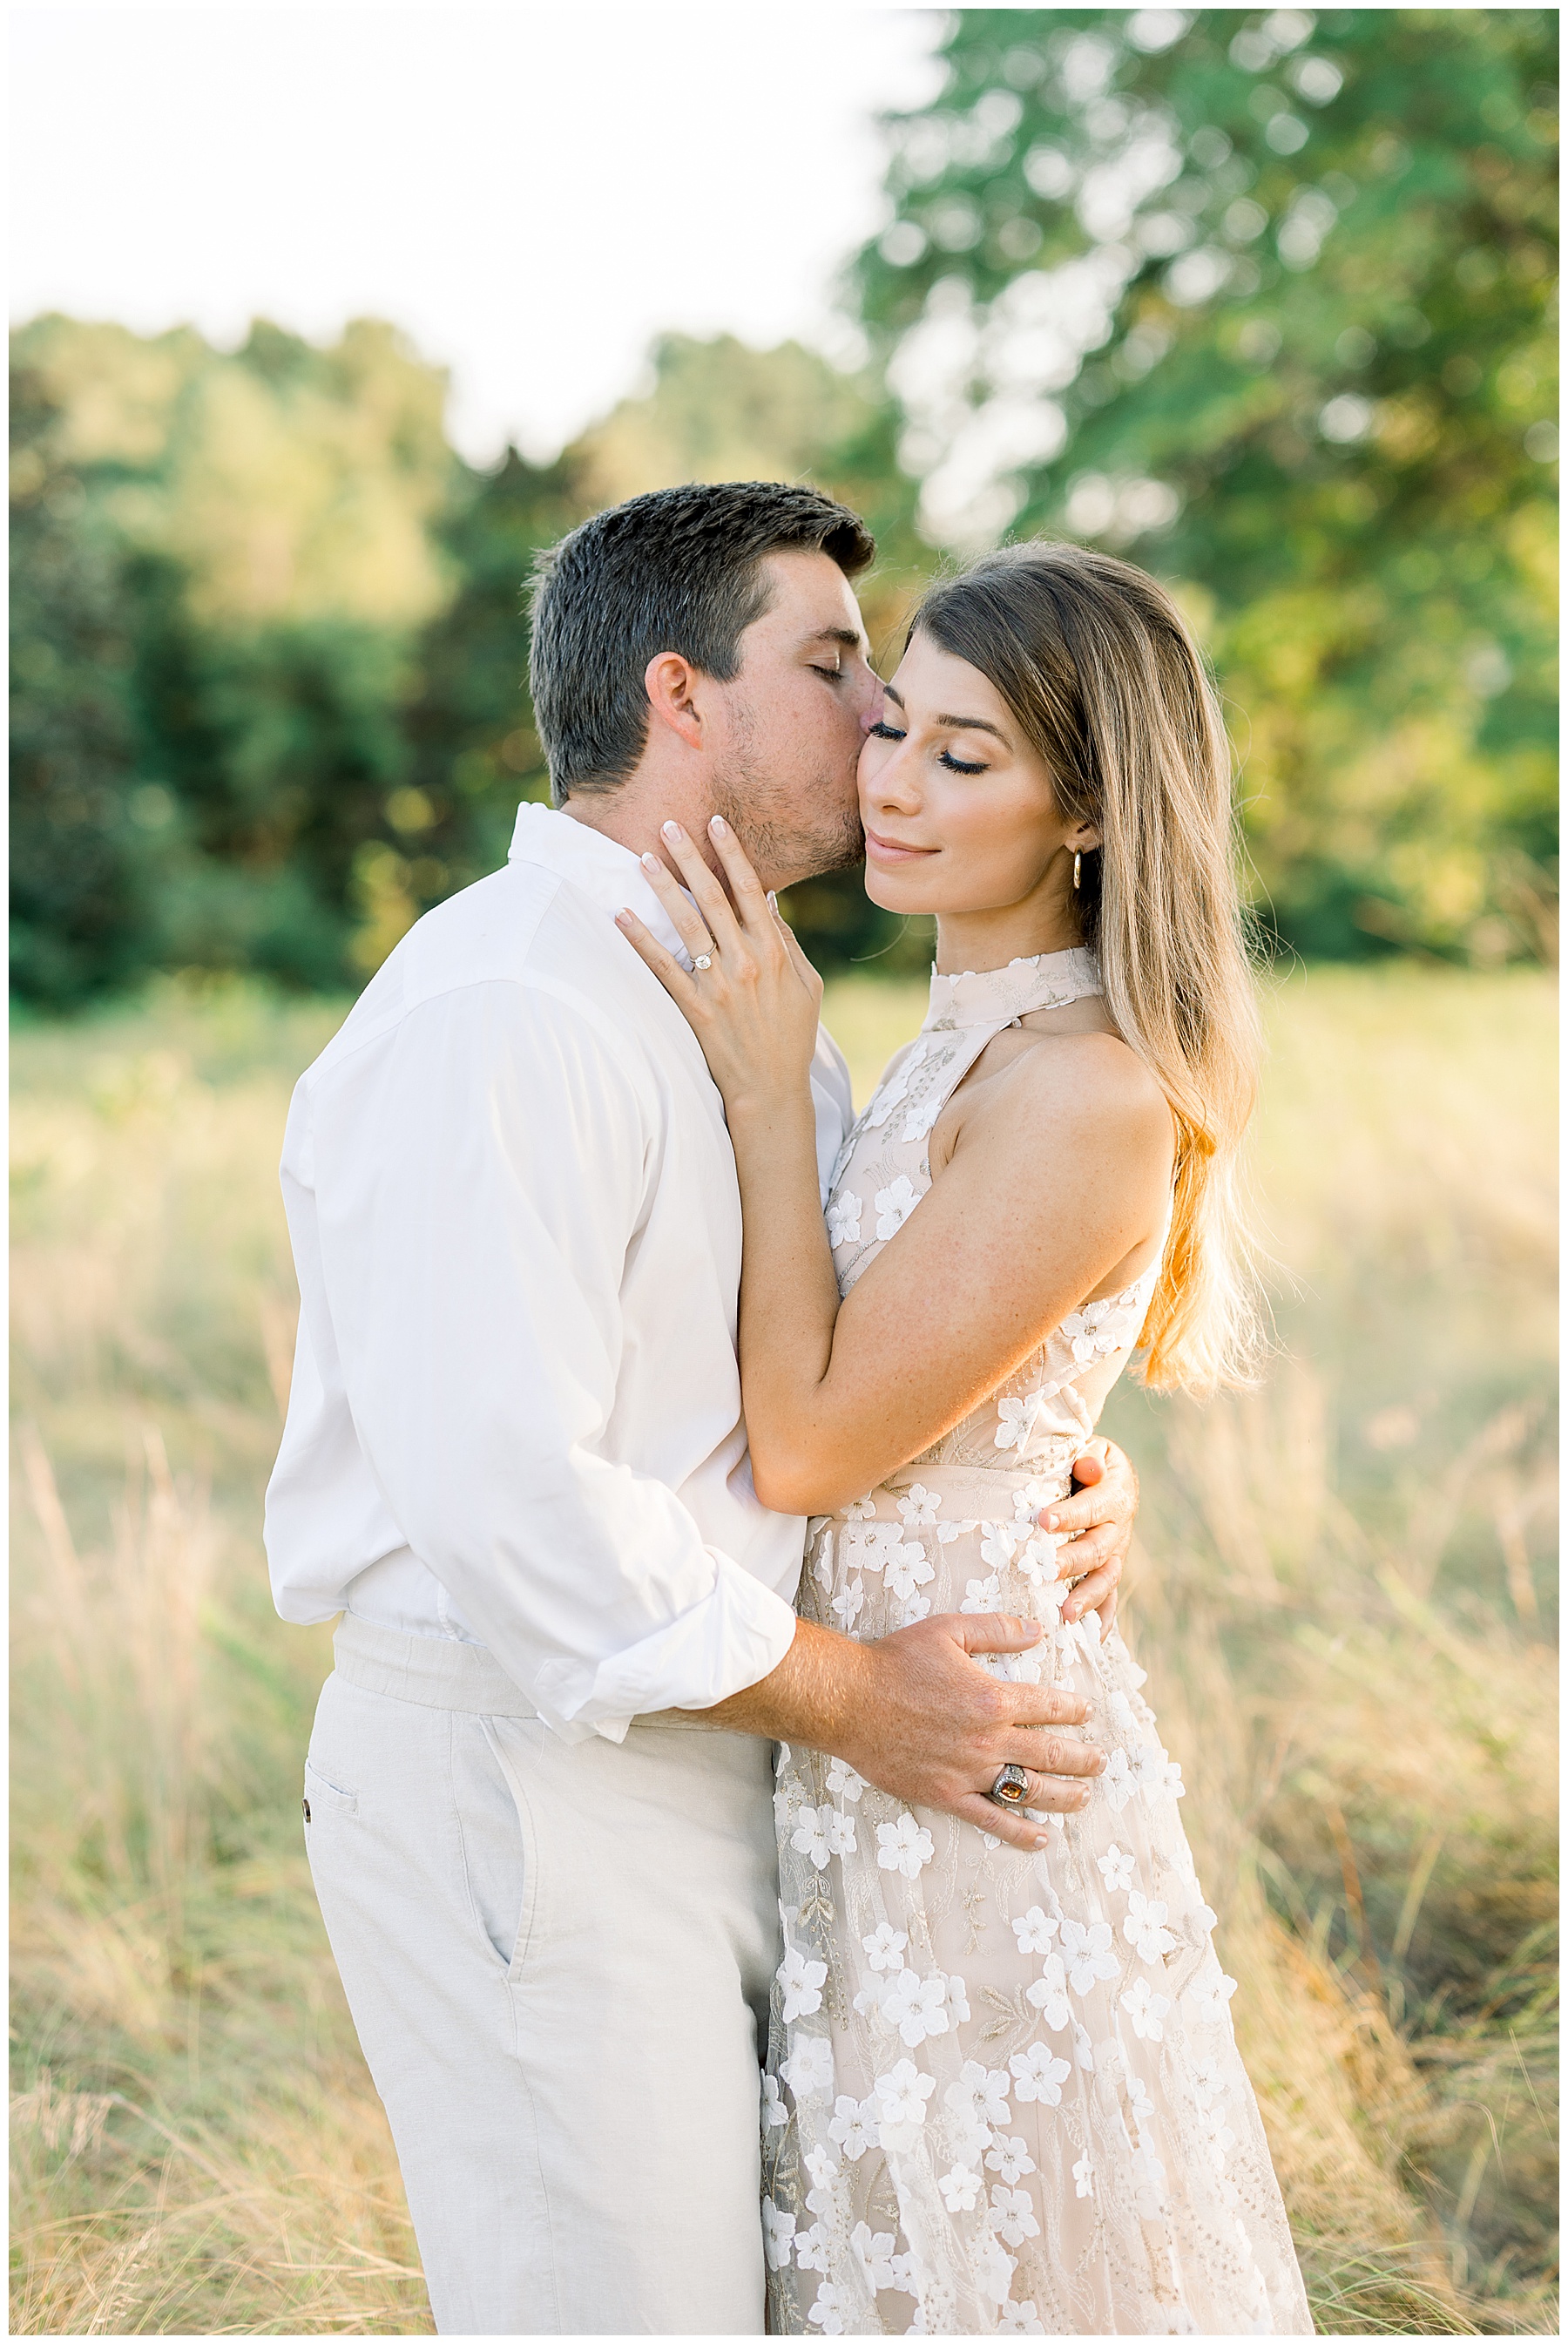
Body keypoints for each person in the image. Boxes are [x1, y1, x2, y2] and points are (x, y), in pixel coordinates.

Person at [263, 484, 1142, 2336]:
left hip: (749, 1768)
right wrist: (863, 1699)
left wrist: (1034, 1461)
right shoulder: (511, 1004)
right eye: (833, 668)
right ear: (681, 694)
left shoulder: (745, 1001)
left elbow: (816, 1371)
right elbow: (515, 1504)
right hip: (539, 1769)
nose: (881, 717)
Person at [618, 539, 1313, 2334]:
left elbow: (812, 1446)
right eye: (894, 727)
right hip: (879, 1728)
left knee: (1016, 2244)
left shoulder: (1084, 1083)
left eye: (965, 753)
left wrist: (764, 1092)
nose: (896, 785)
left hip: (976, 1749)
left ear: (1088, 809)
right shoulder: (951, 1045)